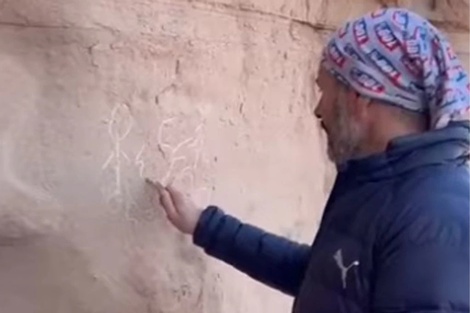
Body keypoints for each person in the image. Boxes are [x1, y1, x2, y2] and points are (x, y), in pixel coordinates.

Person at [149, 8, 470, 313]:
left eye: (325, 91)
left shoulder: (434, 216)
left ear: (361, 98)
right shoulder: (381, 183)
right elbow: (324, 276)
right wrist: (208, 227)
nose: (319, 109)